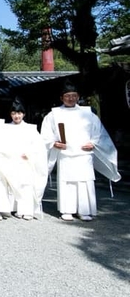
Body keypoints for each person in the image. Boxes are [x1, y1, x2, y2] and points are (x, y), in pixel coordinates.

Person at [41, 81, 121, 221]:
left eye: (73, 96)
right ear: (62, 98)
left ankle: (84, 210)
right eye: (67, 96)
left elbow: (99, 132)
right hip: (65, 154)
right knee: (67, 182)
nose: (70, 98)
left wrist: (93, 143)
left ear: (78, 97)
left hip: (84, 154)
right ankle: (67, 210)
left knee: (85, 182)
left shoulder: (88, 114)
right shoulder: (54, 114)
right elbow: (45, 134)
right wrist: (54, 143)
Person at [1, 97, 48, 220]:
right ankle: (13, 208)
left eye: (19, 113)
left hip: (26, 161)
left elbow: (39, 147)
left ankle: (27, 210)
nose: (17, 116)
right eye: (14, 113)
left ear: (23, 114)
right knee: (11, 184)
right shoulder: (5, 128)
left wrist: (30, 154)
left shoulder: (31, 129)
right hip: (10, 160)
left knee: (26, 185)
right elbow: (1, 144)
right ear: (10, 115)